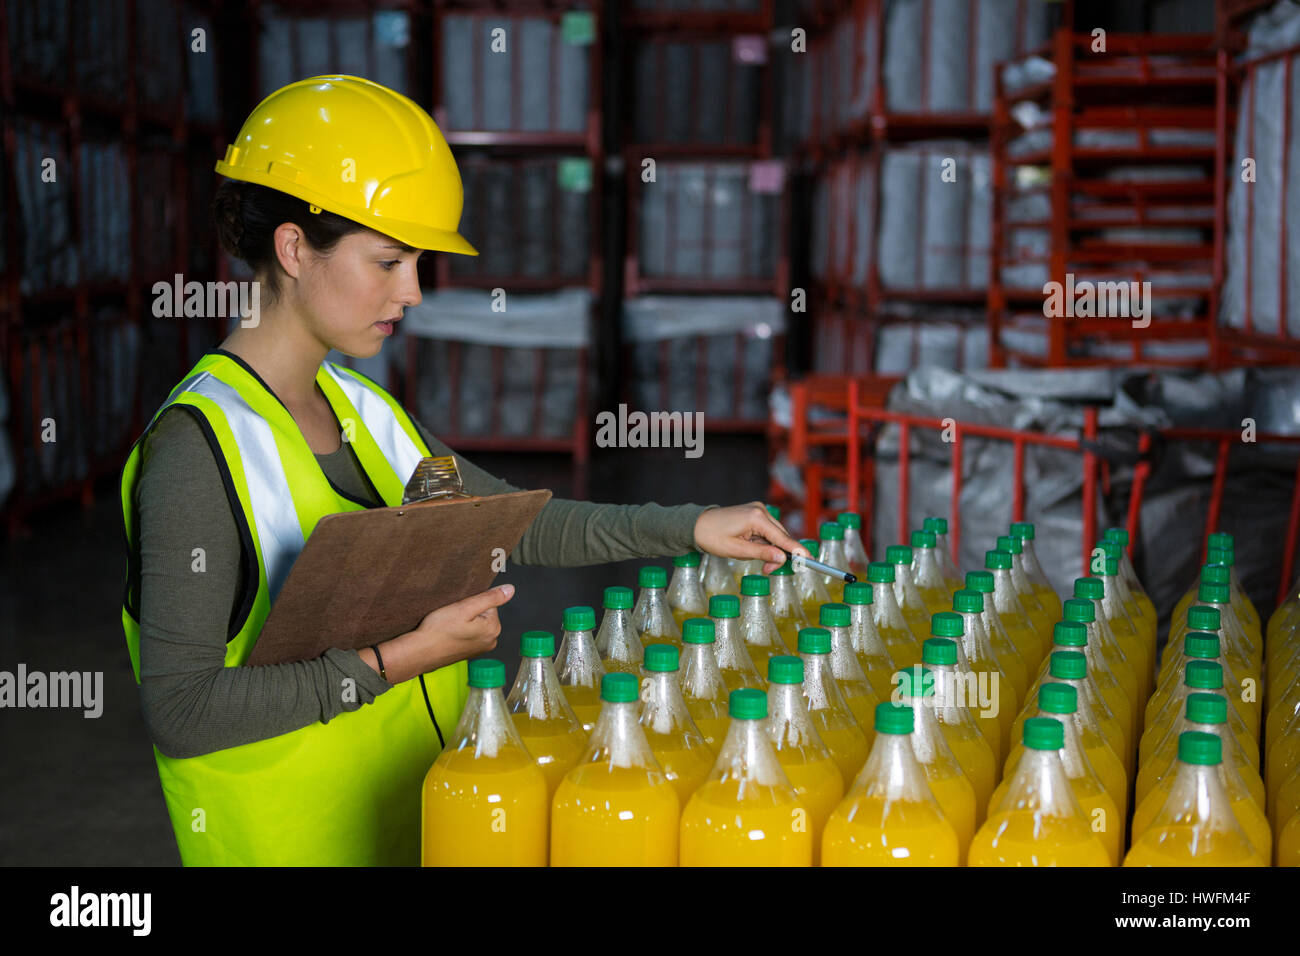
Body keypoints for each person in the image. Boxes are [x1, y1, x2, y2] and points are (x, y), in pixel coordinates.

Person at [119, 75, 807, 866]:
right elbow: (182, 708)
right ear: (293, 249)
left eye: (415, 261)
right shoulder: (198, 449)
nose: (412, 290)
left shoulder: (364, 409)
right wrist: (404, 658)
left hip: (412, 832)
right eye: (387, 261)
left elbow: (515, 520)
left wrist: (687, 527)